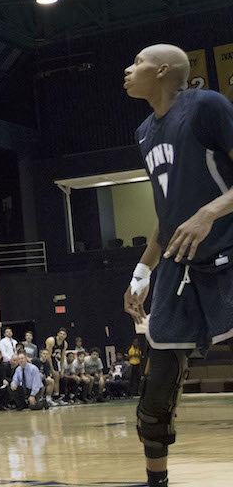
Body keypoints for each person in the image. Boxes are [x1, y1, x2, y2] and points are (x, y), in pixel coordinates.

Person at [122, 43, 233, 487]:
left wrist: (209, 212)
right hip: (176, 264)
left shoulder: (207, 106)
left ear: (163, 71)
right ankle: (157, 483)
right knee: (155, 394)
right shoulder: (145, 132)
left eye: (138, 62)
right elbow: (167, 216)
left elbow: (201, 208)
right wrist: (141, 273)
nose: (129, 71)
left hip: (227, 250)